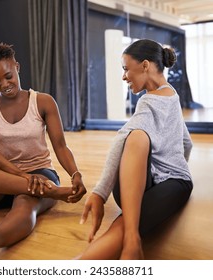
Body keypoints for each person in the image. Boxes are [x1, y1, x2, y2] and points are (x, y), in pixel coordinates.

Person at [0, 42, 86, 260]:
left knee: (24, 205)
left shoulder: (43, 101)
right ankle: (53, 192)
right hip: (4, 179)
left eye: (8, 76)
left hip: (41, 174)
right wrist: (22, 176)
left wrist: (75, 174)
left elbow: (60, 145)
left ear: (17, 67)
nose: (4, 84)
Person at [77, 39, 193, 260]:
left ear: (145, 65)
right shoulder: (172, 94)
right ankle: (130, 238)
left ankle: (86, 261)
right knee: (137, 137)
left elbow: (122, 138)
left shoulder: (149, 102)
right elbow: (187, 142)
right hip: (165, 183)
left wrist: (100, 192)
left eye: (126, 69)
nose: (124, 76)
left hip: (155, 185)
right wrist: (177, 165)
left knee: (135, 136)